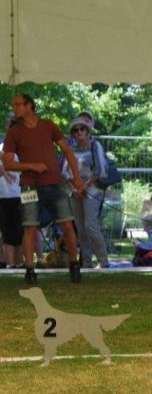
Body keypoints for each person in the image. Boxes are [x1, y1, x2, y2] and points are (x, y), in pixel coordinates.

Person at [2, 93, 84, 285]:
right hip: (29, 186)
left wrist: (77, 178)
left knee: (68, 225)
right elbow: (7, 164)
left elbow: (67, 151)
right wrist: (31, 166)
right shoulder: (14, 132)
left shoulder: (48, 125)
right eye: (13, 105)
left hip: (55, 183)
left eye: (18, 104)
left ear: (29, 105)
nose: (15, 108)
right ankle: (30, 270)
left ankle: (74, 264)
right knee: (29, 227)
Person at [66, 112, 111, 269]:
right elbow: (64, 171)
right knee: (80, 226)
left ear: (87, 130)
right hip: (74, 190)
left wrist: (84, 186)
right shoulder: (70, 148)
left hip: (92, 189)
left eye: (82, 129)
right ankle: (86, 262)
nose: (79, 132)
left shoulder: (95, 145)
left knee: (90, 223)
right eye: (76, 130)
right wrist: (74, 187)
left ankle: (103, 261)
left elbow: (100, 169)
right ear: (72, 133)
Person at [0, 116, 25, 268]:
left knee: (21, 231)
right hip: (3, 195)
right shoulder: (2, 147)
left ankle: (21, 262)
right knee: (8, 231)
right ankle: (9, 264)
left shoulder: (25, 148)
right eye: (11, 125)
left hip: (20, 194)